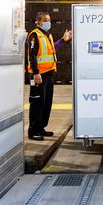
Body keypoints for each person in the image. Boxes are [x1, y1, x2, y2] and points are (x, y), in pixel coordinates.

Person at [25, 12, 72, 141]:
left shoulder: (48, 35)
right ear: (38, 22)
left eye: (49, 20)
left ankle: (41, 128)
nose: (48, 23)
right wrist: (36, 73)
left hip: (49, 73)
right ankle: (33, 131)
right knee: (36, 102)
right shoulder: (35, 35)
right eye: (45, 20)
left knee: (46, 103)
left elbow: (52, 49)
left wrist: (63, 40)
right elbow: (32, 55)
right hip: (39, 75)